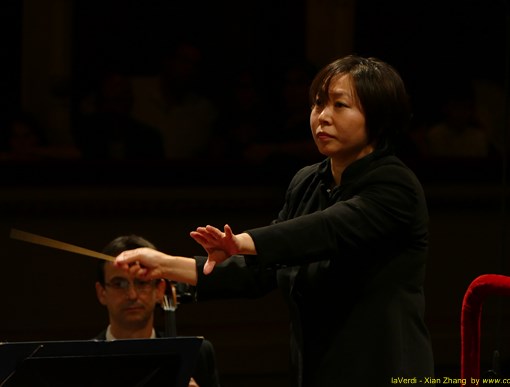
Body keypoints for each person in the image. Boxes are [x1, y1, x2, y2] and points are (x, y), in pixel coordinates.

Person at [115, 55, 435, 386]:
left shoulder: (395, 184)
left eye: (339, 105)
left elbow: (325, 229)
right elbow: (259, 272)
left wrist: (241, 242)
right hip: (315, 370)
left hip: (382, 368)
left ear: (378, 116)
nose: (322, 117)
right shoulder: (306, 183)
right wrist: (163, 265)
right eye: (318, 104)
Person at [95, 235, 220, 387]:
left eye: (142, 282)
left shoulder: (197, 354)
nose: (132, 295)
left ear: (160, 290)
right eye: (119, 283)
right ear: (102, 292)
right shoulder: (81, 357)